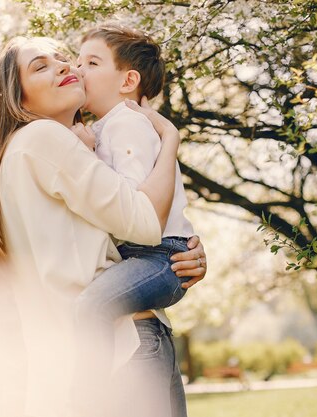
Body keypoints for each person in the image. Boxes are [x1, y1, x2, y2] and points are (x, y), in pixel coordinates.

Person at [0, 36, 207, 417]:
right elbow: (146, 221)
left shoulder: (27, 151)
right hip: (122, 349)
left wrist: (183, 254)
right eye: (40, 67)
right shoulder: (44, 138)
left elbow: (118, 234)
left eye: (63, 59)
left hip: (116, 343)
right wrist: (170, 139)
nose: (65, 67)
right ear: (18, 98)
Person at [69, 25, 202, 417]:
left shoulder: (125, 123)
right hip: (150, 257)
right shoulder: (104, 128)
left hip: (160, 257)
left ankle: (87, 394)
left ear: (128, 81)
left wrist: (87, 156)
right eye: (78, 62)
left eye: (92, 63)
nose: (79, 71)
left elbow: (134, 206)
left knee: (92, 305)